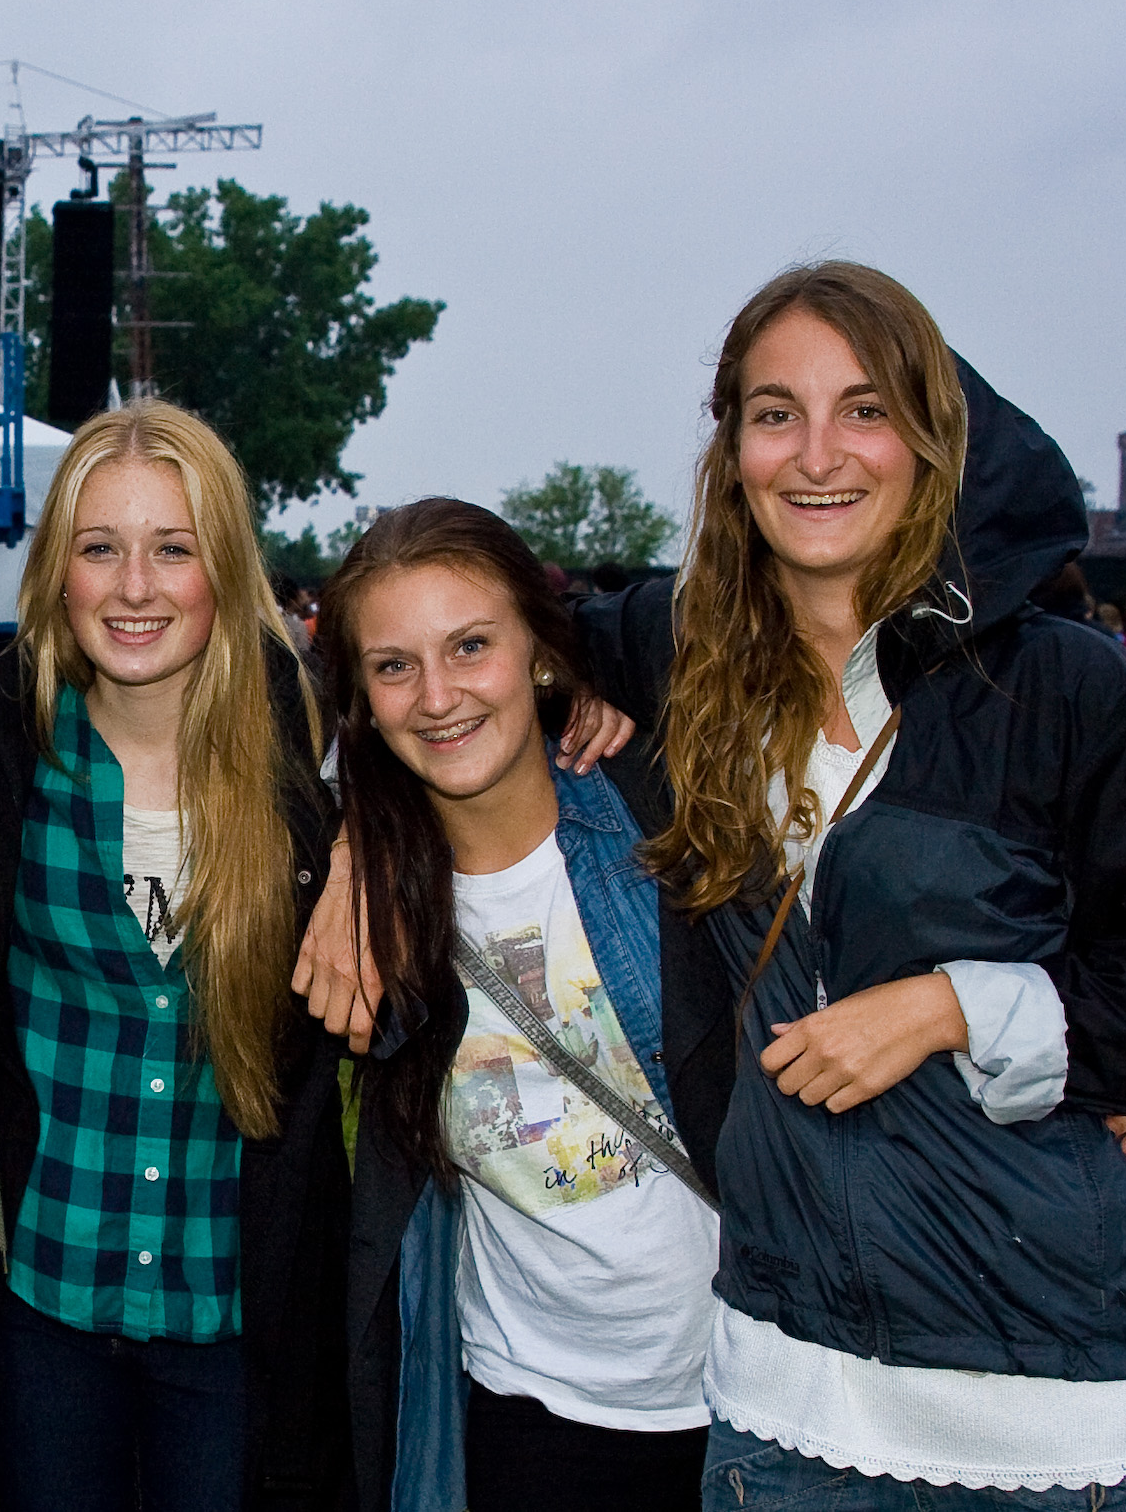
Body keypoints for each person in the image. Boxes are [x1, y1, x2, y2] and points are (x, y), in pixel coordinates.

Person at [598, 264, 1126, 1505]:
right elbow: (466, 658)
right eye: (774, 413)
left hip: (1069, 1422)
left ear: (932, 437)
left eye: (864, 410)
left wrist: (954, 1006)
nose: (816, 455)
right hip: (787, 1414)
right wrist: (368, 845)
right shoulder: (681, 659)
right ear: (731, 449)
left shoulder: (1071, 691)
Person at [0, 400, 355, 1512]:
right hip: (42, 1298)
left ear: (225, 567)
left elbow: (495, 717)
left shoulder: (304, 771)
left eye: (174, 548)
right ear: (56, 569)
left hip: (230, 1313)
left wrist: (364, 852)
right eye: (100, 547)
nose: (135, 586)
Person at [322, 499, 719, 1512]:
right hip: (524, 1409)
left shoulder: (661, 817)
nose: (439, 695)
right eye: (394, 664)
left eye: (471, 645)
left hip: (747, 1395)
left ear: (540, 652)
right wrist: (348, 845)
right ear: (361, 698)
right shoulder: (372, 908)